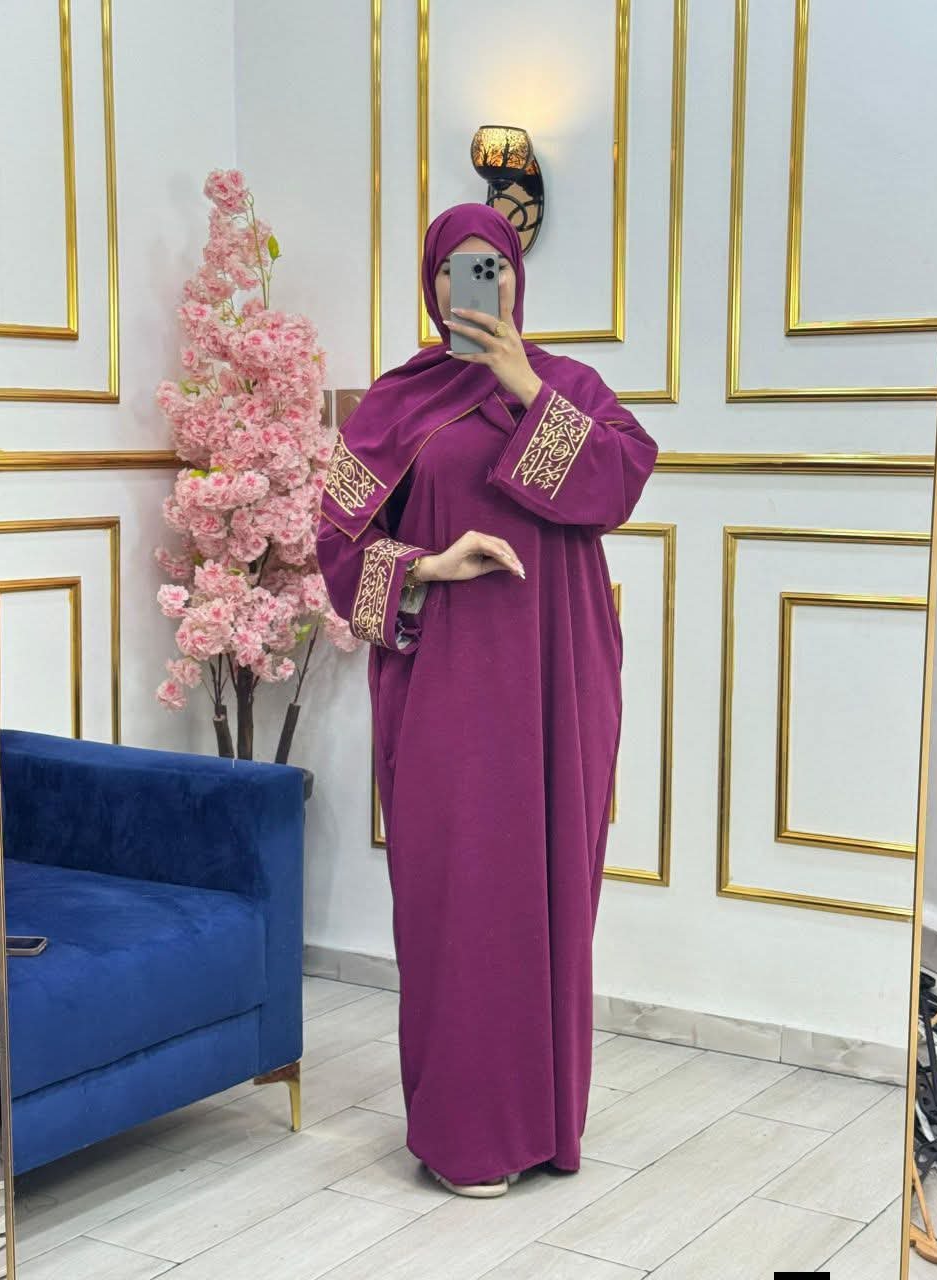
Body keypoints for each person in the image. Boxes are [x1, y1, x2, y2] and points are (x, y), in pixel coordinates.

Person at [314, 202, 659, 1198]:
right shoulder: (393, 405)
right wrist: (428, 564)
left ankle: (545, 1129)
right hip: (450, 687)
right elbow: (336, 552)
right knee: (460, 897)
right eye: (456, 268)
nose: (479, 284)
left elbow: (619, 482)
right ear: (430, 287)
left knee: (552, 893)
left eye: (493, 265)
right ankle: (466, 1134)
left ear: (517, 276)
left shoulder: (571, 387)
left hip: (562, 683)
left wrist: (523, 387)